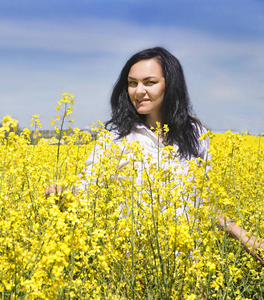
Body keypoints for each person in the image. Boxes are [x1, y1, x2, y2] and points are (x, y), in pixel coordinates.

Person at [46, 46, 264, 265]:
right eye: (132, 83)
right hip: (135, 268)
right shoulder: (115, 139)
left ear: (170, 85)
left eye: (149, 82)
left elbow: (201, 203)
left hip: (189, 266)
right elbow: (86, 192)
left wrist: (245, 238)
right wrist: (64, 195)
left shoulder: (195, 133)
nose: (139, 91)